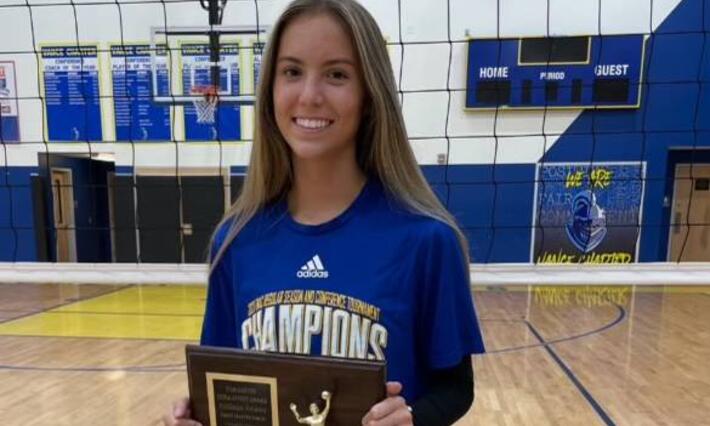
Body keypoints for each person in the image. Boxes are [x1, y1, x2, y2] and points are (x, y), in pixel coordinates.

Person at [163, 0, 485, 425]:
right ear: (271, 90)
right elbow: (223, 387)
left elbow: (456, 388)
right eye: (292, 72)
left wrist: (413, 419)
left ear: (369, 95)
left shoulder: (426, 240)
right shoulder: (235, 241)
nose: (309, 95)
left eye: (336, 74)